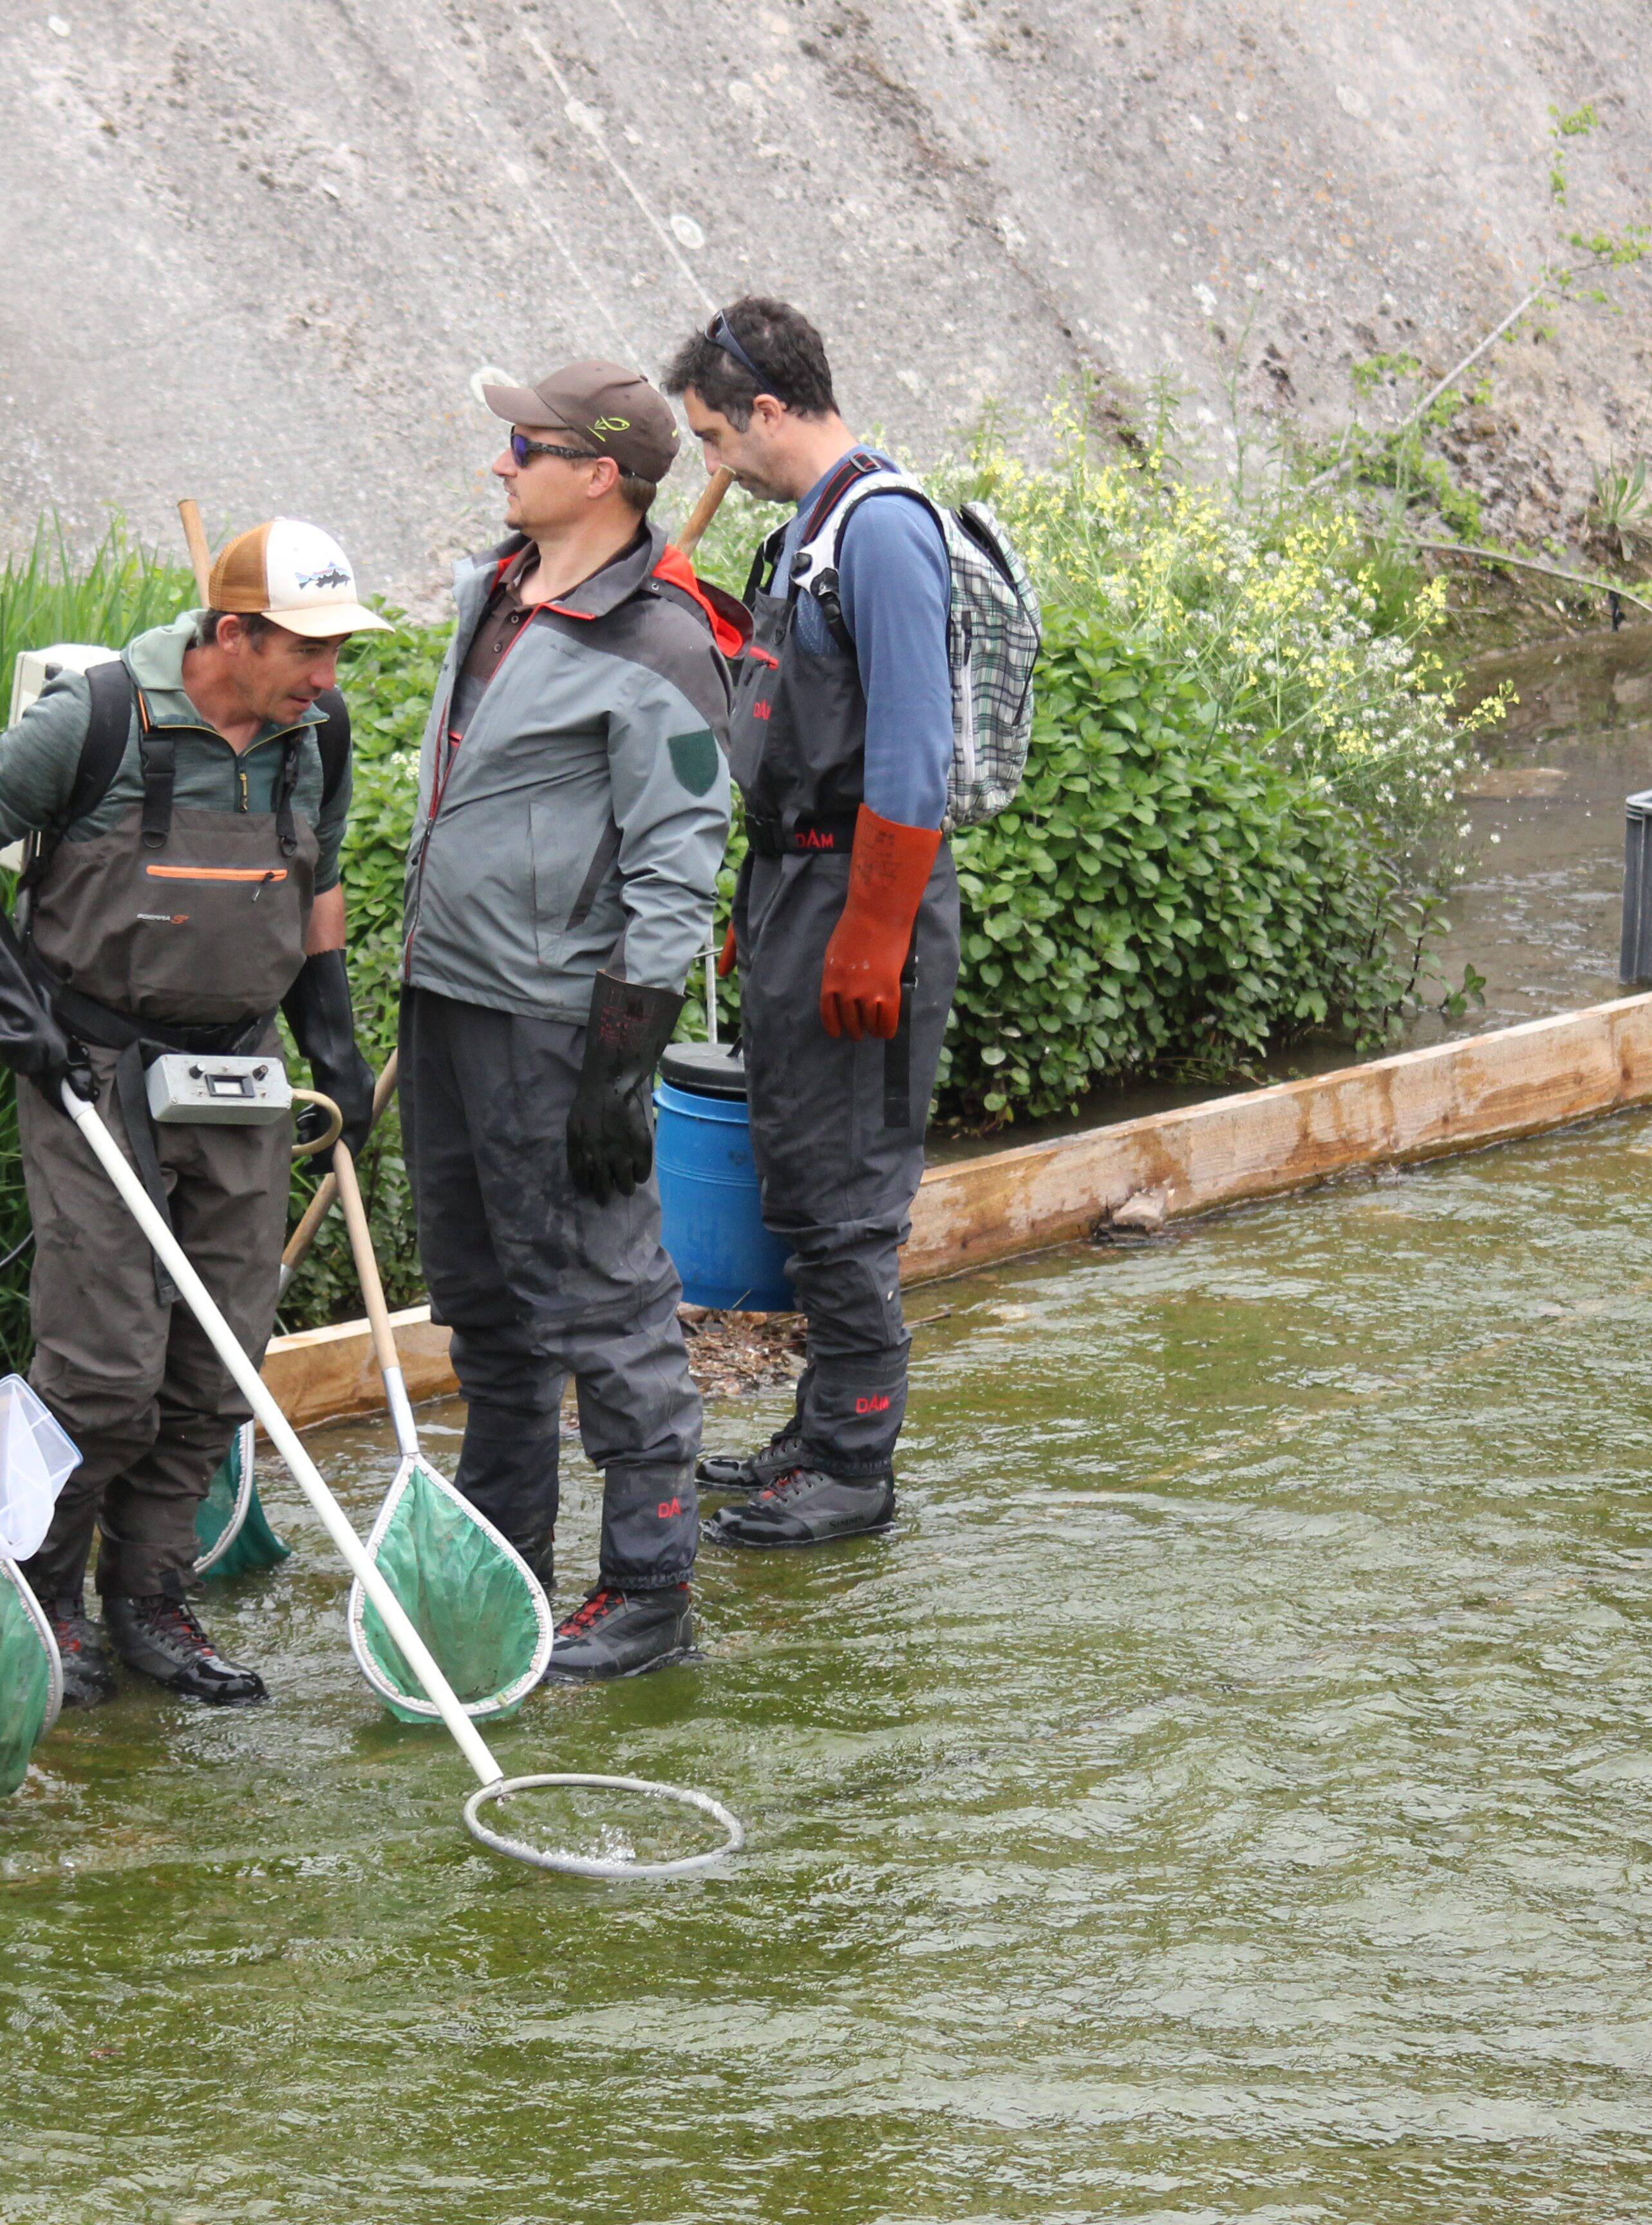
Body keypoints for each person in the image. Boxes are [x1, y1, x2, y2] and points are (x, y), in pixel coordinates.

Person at [0, 521, 386, 1711]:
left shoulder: (310, 736)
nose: (329, 679)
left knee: (219, 1357)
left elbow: (317, 882)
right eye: (310, 651)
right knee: (104, 1369)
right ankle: (47, 1595)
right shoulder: (97, 720)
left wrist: (331, 1032)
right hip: (95, 1071)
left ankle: (152, 1600)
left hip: (243, 1073)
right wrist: (7, 1003)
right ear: (234, 635)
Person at [397, 360, 738, 1681]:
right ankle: (504, 1571)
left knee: (607, 1309)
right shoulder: (494, 590)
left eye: (524, 445)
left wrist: (617, 1068)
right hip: (451, 1006)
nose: (500, 463)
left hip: (559, 1027)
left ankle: (648, 1595)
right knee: (487, 1312)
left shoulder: (663, 646)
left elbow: (675, 870)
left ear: (600, 473)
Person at [663, 296, 959, 1551]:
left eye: (715, 442)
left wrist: (872, 934)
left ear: (770, 412)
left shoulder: (882, 531)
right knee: (795, 1168)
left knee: (846, 1195)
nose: (712, 470)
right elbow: (785, 705)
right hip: (798, 887)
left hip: (864, 887)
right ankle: (817, 1422)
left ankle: (855, 1464)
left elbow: (913, 756)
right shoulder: (805, 538)